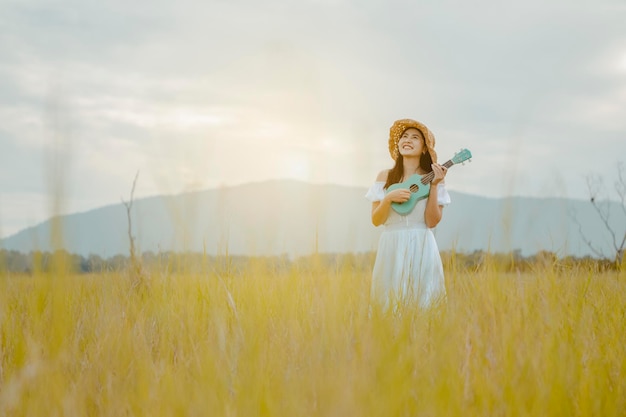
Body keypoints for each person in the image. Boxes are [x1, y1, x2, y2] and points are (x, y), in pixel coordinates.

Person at [365, 118, 451, 311]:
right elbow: (376, 220)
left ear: (423, 148)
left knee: (423, 303)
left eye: (415, 137)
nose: (408, 140)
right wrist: (388, 199)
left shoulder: (434, 178)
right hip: (391, 244)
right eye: (404, 137)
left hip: (421, 244)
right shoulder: (384, 177)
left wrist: (435, 185)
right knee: (388, 302)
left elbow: (432, 221)